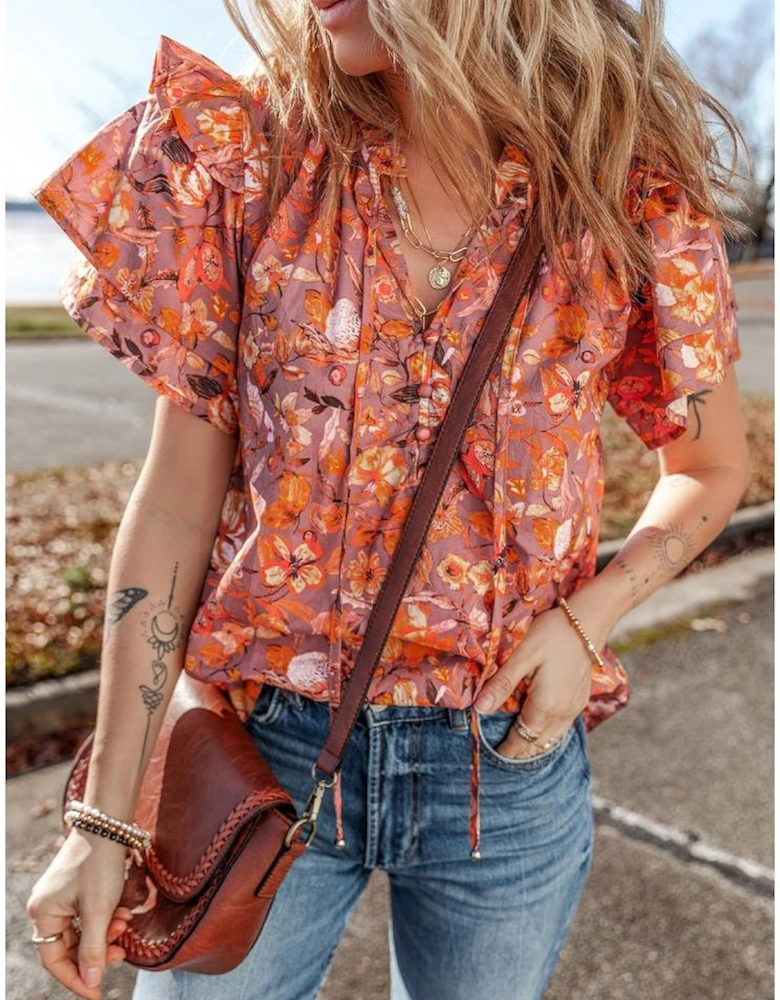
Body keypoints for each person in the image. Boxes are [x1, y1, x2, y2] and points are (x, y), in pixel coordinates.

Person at [26, 1, 751, 998]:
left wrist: (588, 624)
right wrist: (100, 822)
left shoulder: (622, 196)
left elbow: (710, 469)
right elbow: (174, 512)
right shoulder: (254, 163)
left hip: (501, 762)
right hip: (260, 750)